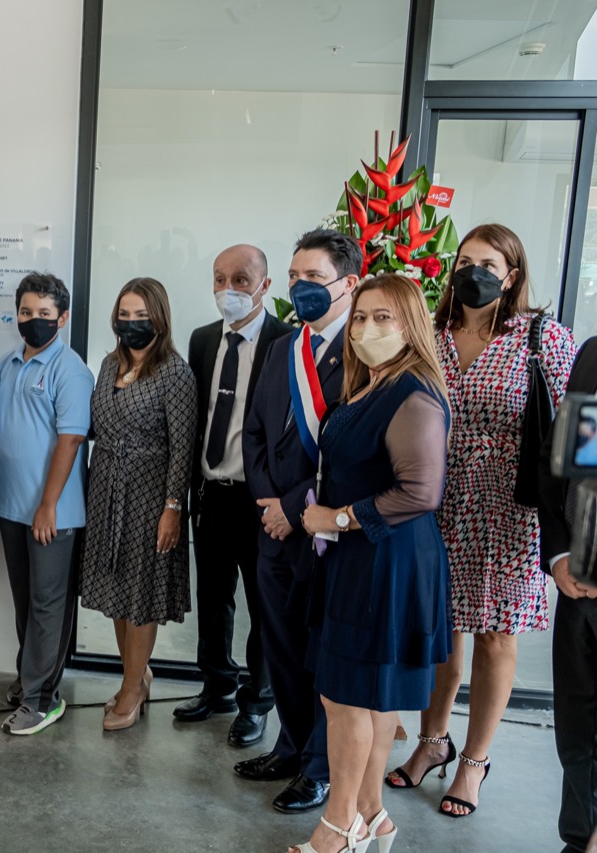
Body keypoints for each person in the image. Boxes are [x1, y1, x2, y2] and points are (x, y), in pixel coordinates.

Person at [388, 223, 576, 818]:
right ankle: (431, 742)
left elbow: (581, 431)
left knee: (496, 635)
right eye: (465, 260)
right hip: (436, 499)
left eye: (489, 263)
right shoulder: (430, 335)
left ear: (512, 274)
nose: (474, 271)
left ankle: (473, 763)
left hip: (508, 508)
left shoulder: (543, 339)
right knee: (440, 630)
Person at [291, 273, 452, 853]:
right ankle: (370, 815)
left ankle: (336, 829)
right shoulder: (371, 385)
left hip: (387, 562)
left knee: (346, 698)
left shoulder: (413, 392)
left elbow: (420, 492)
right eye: (360, 317)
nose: (366, 328)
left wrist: (333, 519)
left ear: (411, 324)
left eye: (383, 317)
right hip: (362, 559)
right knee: (369, 695)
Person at [239, 228, 358, 814]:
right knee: (279, 644)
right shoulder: (284, 345)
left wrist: (291, 510)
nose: (300, 288)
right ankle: (290, 744)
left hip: (324, 531)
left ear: (349, 284)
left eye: (314, 278)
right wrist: (269, 505)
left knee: (316, 649)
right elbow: (255, 430)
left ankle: (319, 766)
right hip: (274, 528)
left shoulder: (363, 353)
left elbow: (352, 456)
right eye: (293, 278)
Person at [178, 244, 291, 747]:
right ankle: (216, 685)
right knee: (214, 598)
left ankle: (257, 701)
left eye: (241, 280)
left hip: (261, 499)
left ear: (265, 286)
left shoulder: (286, 342)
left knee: (264, 606)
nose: (229, 290)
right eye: (220, 278)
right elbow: (195, 417)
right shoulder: (203, 339)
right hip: (212, 494)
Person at [80, 277, 196, 731]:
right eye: (124, 315)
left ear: (159, 319)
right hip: (106, 488)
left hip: (151, 495)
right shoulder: (109, 364)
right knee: (116, 591)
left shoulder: (174, 372)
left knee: (141, 592)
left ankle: (131, 687)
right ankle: (136, 674)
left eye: (141, 316)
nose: (131, 324)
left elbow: (182, 447)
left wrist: (173, 507)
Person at [0, 272, 95, 735]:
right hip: (13, 506)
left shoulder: (69, 369)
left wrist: (48, 504)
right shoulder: (9, 364)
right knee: (25, 603)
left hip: (52, 512)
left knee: (48, 603)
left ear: (63, 318)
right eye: (27, 313)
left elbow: (71, 440)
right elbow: (4, 430)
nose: (35, 321)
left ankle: (42, 698)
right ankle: (31, 678)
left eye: (45, 314)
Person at [539, 336, 597, 853]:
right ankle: (579, 840)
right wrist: (558, 556)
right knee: (577, 723)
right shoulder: (595, 353)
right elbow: (557, 462)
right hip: (578, 579)